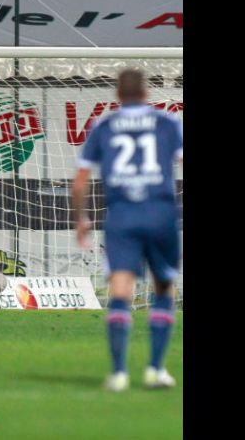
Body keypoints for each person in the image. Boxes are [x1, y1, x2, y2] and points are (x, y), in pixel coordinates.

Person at [72, 68, 183, 392]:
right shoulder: (167, 123)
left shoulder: (104, 126)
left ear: (118, 95)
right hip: (160, 214)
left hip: (121, 216)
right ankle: (155, 370)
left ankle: (119, 373)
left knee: (121, 290)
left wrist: (81, 219)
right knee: (163, 288)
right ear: (147, 93)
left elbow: (80, 182)